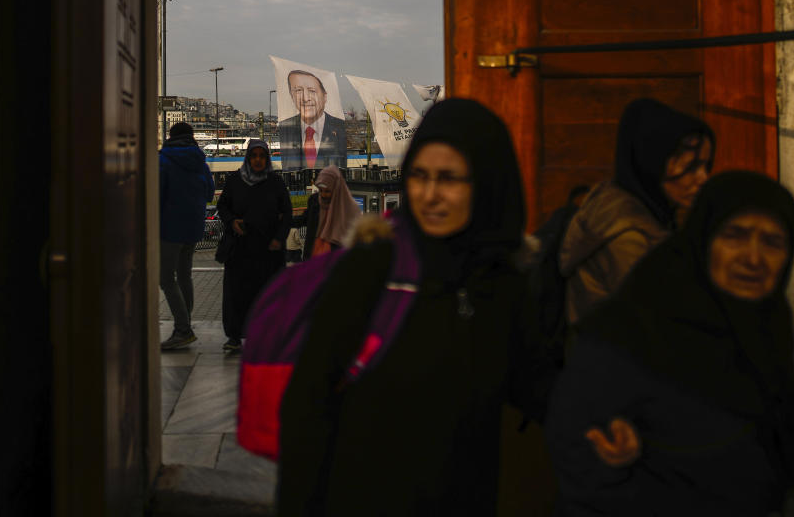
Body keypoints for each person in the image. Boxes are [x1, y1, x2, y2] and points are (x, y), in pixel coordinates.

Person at [277, 98, 557, 516]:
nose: (429, 195)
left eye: (449, 178)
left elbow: (541, 386)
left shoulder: (505, 283)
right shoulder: (373, 268)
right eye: (420, 176)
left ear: (486, 183)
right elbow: (309, 404)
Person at [547, 171, 794, 516]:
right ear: (703, 239)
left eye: (773, 242)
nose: (754, 258)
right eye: (735, 235)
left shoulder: (768, 324)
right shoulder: (633, 328)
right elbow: (577, 452)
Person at [560, 98, 715, 323]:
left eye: (706, 166)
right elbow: (661, 322)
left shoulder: (631, 203)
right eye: (690, 167)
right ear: (652, 164)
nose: (703, 178)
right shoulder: (629, 239)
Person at [217, 139, 292, 353]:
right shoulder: (235, 180)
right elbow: (222, 205)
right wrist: (232, 221)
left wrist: (279, 237)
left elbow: (286, 212)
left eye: (262, 156)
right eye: (254, 156)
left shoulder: (275, 182)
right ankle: (234, 335)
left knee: (268, 294)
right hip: (240, 249)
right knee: (236, 294)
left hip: (268, 250)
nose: (258, 160)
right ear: (248, 158)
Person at [159, 122, 215, 350]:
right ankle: (186, 323)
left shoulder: (163, 160)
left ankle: (183, 329)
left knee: (165, 278)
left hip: (169, 228)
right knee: (184, 275)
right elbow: (210, 193)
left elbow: (157, 195)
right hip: (193, 228)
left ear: (171, 136)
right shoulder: (200, 162)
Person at [279, 69, 347, 170]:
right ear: (291, 96)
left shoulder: (340, 127)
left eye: (312, 91)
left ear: (325, 97)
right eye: (298, 90)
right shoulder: (285, 128)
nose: (305, 98)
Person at [290, 165, 361, 260]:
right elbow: (304, 219)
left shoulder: (348, 208)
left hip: (336, 260)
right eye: (320, 190)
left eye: (327, 191)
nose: (323, 195)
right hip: (313, 258)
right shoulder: (314, 201)